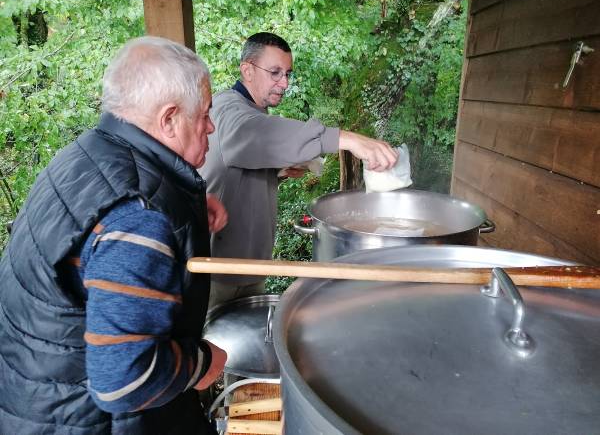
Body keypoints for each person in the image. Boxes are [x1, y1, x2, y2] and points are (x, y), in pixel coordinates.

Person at [0, 36, 228, 434]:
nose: (211, 126)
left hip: (34, 398)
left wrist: (185, 204)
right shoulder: (138, 219)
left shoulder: (84, 155)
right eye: (205, 113)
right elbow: (126, 380)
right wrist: (204, 363)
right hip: (84, 421)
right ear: (169, 118)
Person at [199, 32, 398, 306]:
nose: (284, 83)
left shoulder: (254, 111)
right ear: (247, 69)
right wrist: (347, 139)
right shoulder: (228, 107)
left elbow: (235, 165)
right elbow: (251, 133)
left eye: (288, 73)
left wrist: (276, 173)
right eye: (275, 72)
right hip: (215, 274)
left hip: (249, 269)